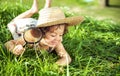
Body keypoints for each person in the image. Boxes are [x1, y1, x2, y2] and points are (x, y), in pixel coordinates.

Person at [4, 0, 84, 66]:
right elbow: (9, 43)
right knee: (11, 24)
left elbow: (67, 58)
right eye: (53, 35)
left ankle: (47, 5)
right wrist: (13, 49)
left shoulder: (57, 42)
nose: (59, 39)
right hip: (27, 26)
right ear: (40, 33)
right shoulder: (32, 38)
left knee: (47, 20)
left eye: (61, 35)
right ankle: (32, 10)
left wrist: (56, 66)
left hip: (40, 25)